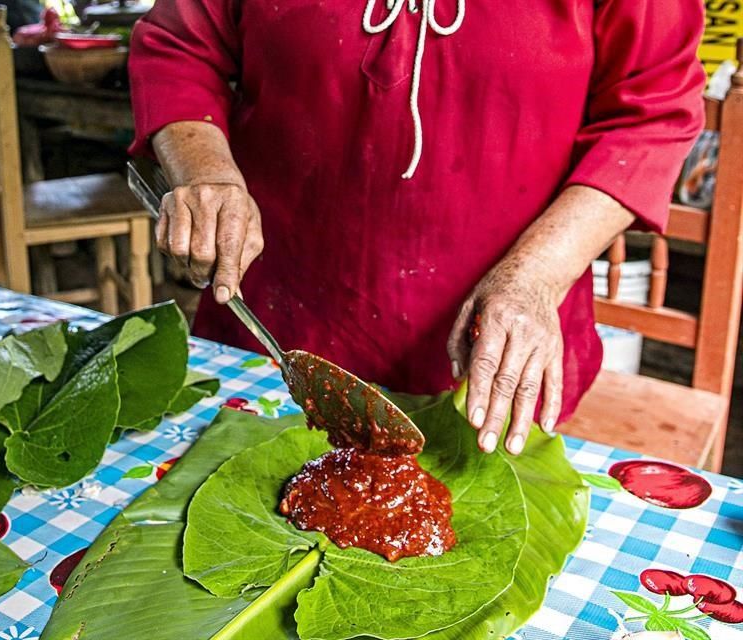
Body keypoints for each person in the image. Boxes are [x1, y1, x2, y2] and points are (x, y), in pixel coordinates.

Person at [128, 0, 705, 455]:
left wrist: (536, 277)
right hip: (274, 332)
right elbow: (179, 45)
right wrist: (205, 173)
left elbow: (652, 113)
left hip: (494, 348)